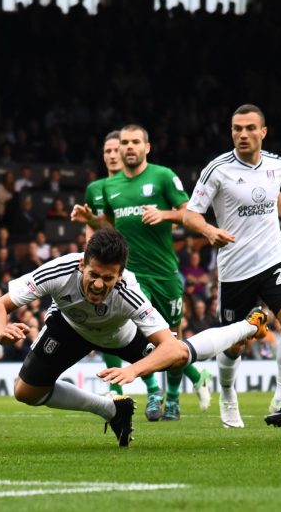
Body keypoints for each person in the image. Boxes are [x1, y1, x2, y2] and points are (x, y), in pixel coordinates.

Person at [0, 228, 267, 447]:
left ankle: (249, 325)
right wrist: (0, 332)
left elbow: (168, 346)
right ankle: (111, 409)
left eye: (107, 279)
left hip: (121, 336)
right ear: (82, 264)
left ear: (119, 276)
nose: (97, 284)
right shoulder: (58, 271)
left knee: (179, 356)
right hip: (70, 326)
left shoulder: (129, 292)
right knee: (25, 393)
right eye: (93, 274)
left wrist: (134, 370)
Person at [72, 125, 212, 422]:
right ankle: (153, 391)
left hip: (165, 274)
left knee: (171, 339)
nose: (128, 148)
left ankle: (173, 398)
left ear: (147, 146)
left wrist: (166, 214)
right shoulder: (108, 187)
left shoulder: (162, 176)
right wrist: (91, 222)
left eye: (135, 142)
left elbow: (189, 213)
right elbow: (108, 231)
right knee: (136, 334)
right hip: (131, 277)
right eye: (123, 143)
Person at [183, 104, 281, 428]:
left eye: (250, 128)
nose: (243, 134)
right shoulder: (217, 169)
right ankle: (227, 397)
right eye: (237, 129)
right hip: (236, 269)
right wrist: (208, 230)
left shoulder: (277, 164)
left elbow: (275, 199)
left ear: (263, 132)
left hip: (273, 256)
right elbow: (190, 213)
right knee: (235, 345)